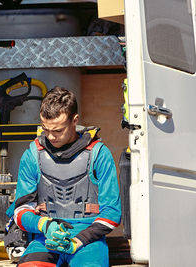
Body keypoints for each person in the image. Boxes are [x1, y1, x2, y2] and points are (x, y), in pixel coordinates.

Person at [12, 86, 121, 267]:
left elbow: (112, 212)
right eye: (45, 129)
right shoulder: (33, 154)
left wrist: (78, 241)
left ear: (74, 120)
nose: (51, 136)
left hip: (88, 240)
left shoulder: (98, 154)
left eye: (58, 130)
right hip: (47, 238)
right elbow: (20, 210)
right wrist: (44, 225)